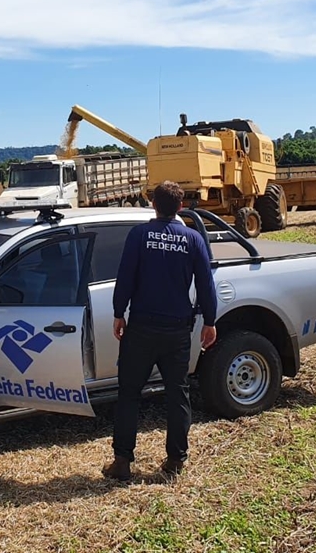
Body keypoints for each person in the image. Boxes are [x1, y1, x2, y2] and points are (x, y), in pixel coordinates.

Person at [102, 180, 218, 481]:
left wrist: (118, 313)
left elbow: (125, 276)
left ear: (153, 204)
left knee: (129, 394)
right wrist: (210, 320)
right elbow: (206, 284)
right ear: (180, 207)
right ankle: (176, 460)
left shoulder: (139, 235)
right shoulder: (193, 239)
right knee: (177, 394)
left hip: (141, 327)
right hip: (177, 331)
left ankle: (122, 462)